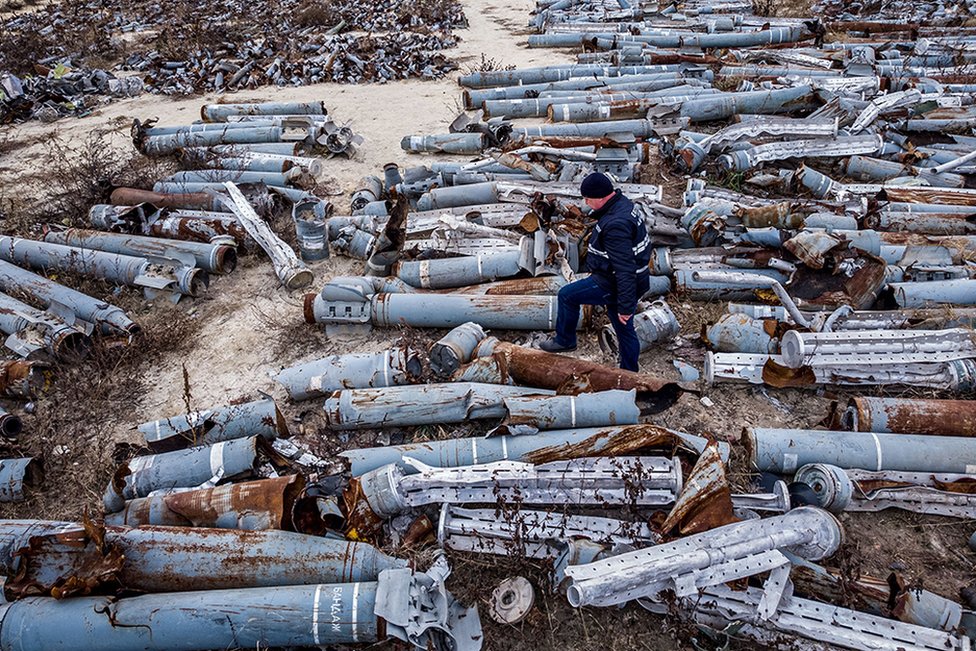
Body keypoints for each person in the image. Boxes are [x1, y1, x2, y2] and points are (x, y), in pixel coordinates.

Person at [540, 172, 651, 372]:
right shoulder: (623, 205)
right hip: (628, 280)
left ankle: (565, 340)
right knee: (624, 329)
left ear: (600, 197)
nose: (586, 203)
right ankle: (629, 372)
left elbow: (625, 269)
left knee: (567, 295)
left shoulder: (616, 225)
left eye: (588, 199)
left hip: (614, 283)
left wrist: (626, 305)